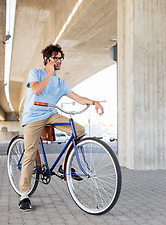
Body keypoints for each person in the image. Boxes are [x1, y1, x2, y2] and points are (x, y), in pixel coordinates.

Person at [18, 44, 104, 211]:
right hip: (33, 115)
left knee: (79, 130)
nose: (58, 61)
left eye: (60, 58)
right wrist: (49, 73)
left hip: (50, 113)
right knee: (29, 153)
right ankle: (24, 194)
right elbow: (36, 90)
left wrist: (94, 102)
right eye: (55, 58)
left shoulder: (60, 82)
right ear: (47, 59)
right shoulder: (36, 73)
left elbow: (78, 98)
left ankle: (65, 167)